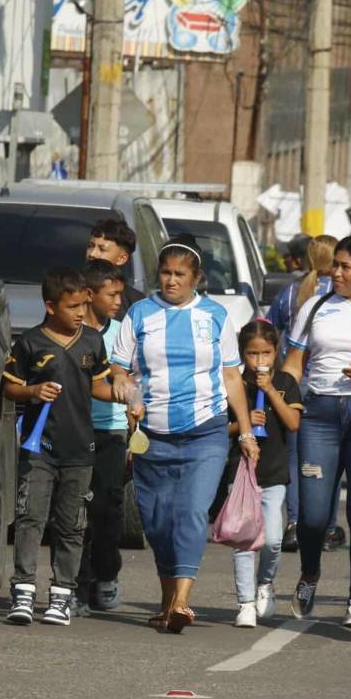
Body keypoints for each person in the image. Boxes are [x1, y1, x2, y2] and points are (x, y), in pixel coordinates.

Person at [110, 234, 259, 634]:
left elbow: (231, 376)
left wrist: (245, 433)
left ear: (196, 279)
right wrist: (129, 392)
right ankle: (167, 598)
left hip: (205, 432)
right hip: (152, 433)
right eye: (165, 273)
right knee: (158, 522)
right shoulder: (139, 314)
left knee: (191, 513)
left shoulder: (215, 316)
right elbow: (120, 370)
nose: (171, 280)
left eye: (179, 274)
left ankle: (181, 601)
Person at [2, 268, 124, 627]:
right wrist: (32, 392)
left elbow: (98, 386)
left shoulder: (91, 341)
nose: (81, 314)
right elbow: (9, 388)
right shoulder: (30, 342)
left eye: (84, 306)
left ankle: (62, 595)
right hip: (39, 447)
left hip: (80, 448)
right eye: (73, 307)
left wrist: (122, 392)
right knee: (30, 518)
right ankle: (23, 590)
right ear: (51, 306)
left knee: (72, 525)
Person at [281, 236, 351, 627]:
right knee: (311, 516)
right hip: (319, 415)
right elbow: (293, 363)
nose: (336, 273)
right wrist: (285, 397)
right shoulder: (316, 305)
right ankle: (309, 574)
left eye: (346, 267)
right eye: (336, 265)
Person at [225, 320, 302, 628]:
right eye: (252, 354)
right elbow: (221, 427)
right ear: (241, 354)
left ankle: (264, 584)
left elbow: (293, 423)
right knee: (244, 540)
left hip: (274, 472)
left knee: (271, 540)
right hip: (241, 470)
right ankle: (244, 602)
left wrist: (270, 391)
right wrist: (242, 425)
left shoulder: (284, 381)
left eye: (266, 353)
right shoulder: (234, 383)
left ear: (276, 352)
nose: (259, 361)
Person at [268, 234, 338, 552]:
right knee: (331, 460)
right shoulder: (341, 292)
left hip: (295, 384)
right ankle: (328, 527)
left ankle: (295, 523)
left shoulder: (292, 292)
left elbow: (269, 328)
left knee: (296, 459)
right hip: (331, 385)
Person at [75, 260, 129, 616]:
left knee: (108, 509)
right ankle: (75, 587)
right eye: (112, 295)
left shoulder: (124, 332)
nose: (118, 302)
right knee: (75, 512)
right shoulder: (72, 329)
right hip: (75, 431)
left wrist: (136, 427)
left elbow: (135, 381)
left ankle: (106, 575)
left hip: (114, 430)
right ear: (91, 295)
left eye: (121, 295)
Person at [85, 218, 145, 318]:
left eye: (102, 249)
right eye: (90, 246)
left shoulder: (134, 303)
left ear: (121, 259)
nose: (92, 254)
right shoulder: (68, 289)